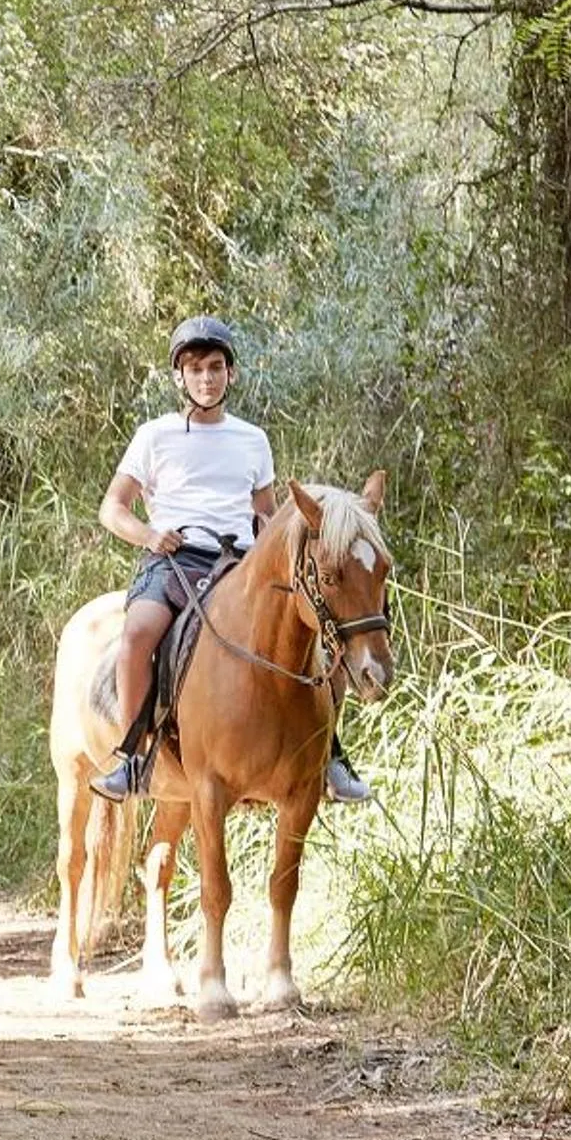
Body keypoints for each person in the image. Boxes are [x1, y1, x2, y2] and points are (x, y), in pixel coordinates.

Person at [90, 316, 371, 805]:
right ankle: (133, 757)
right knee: (137, 635)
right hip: (174, 561)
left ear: (231, 373)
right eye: (195, 368)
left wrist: (274, 537)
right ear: (180, 376)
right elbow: (112, 508)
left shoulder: (252, 439)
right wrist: (150, 535)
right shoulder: (154, 435)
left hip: (241, 564)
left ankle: (329, 756)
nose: (207, 378)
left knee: (319, 635)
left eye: (216, 367)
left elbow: (264, 513)